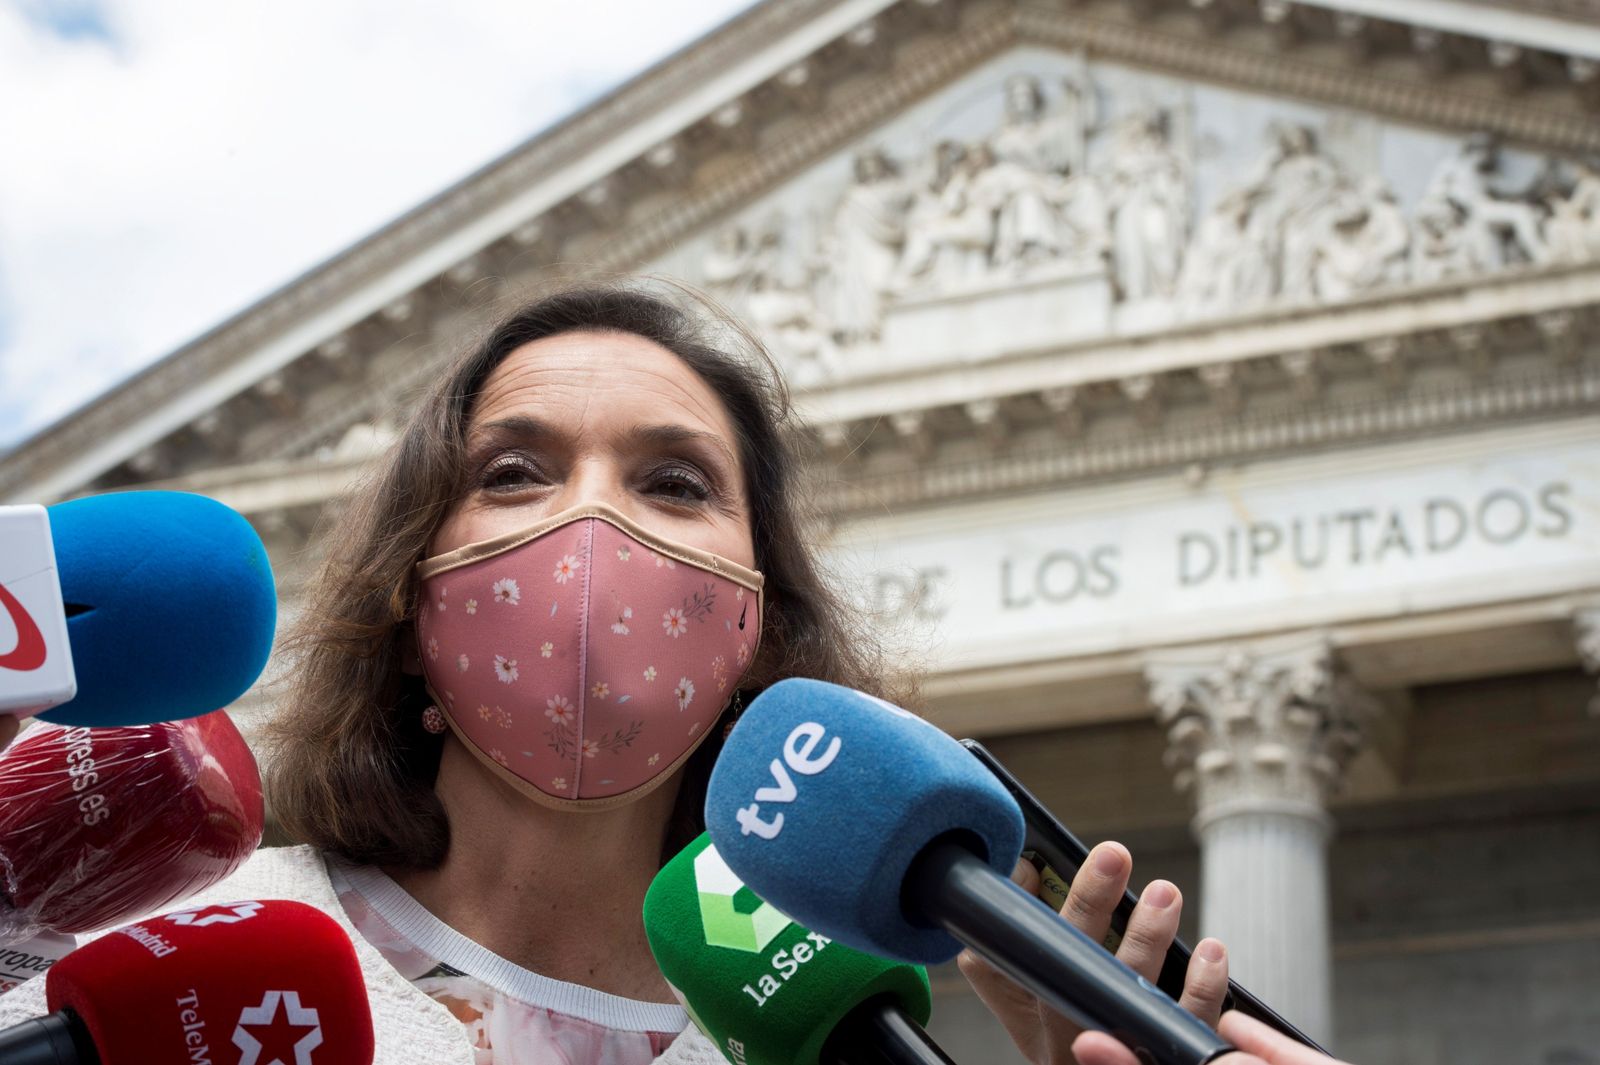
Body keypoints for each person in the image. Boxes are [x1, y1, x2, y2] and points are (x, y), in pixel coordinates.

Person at [0, 283, 1301, 1064]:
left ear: (760, 633)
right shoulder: (157, 960)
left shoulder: (834, 1045)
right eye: (512, 471)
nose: (591, 532)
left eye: (675, 483)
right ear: (408, 609)